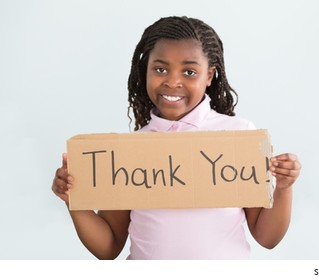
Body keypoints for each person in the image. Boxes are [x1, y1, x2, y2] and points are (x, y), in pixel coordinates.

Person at [50, 16, 302, 259]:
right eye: (160, 69)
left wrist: (283, 188)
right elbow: (108, 247)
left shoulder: (239, 136)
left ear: (209, 75)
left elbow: (267, 237)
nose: (172, 82)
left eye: (189, 72)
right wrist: (76, 202)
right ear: (145, 70)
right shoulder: (129, 151)